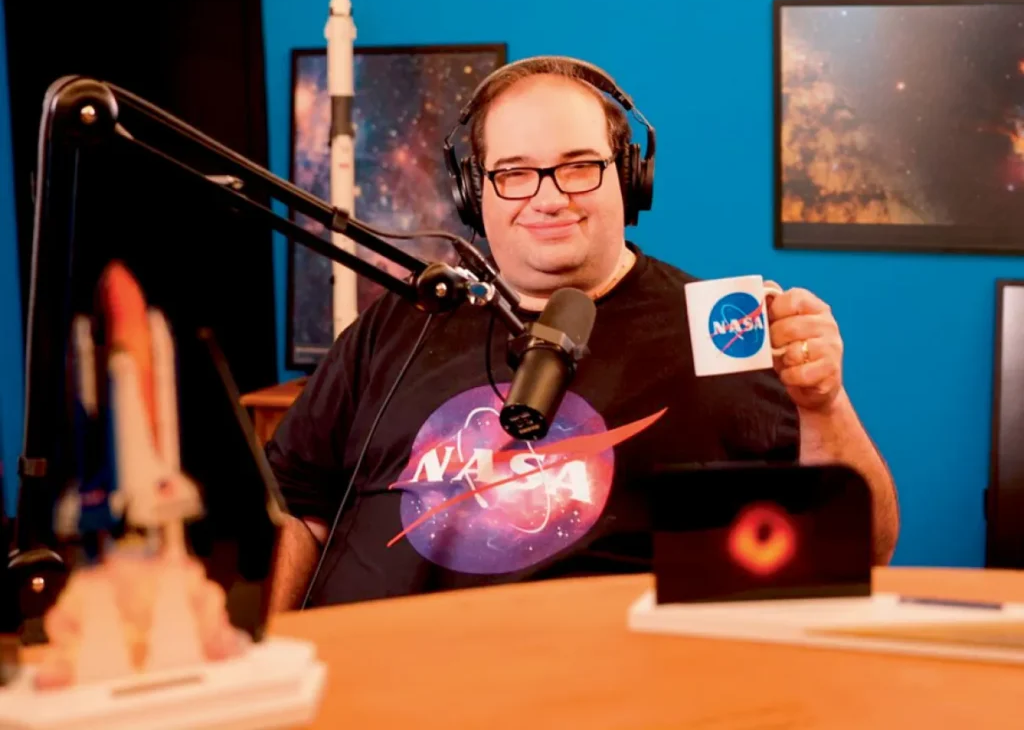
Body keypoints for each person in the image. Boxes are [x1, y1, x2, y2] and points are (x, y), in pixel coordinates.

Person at [266, 56, 900, 612]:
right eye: (513, 172)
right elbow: (299, 508)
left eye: (579, 167)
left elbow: (858, 548)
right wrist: (276, 655)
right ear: (471, 191)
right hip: (370, 687)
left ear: (629, 177)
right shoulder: (405, 317)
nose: (547, 198)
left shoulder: (721, 331)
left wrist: (823, 404)